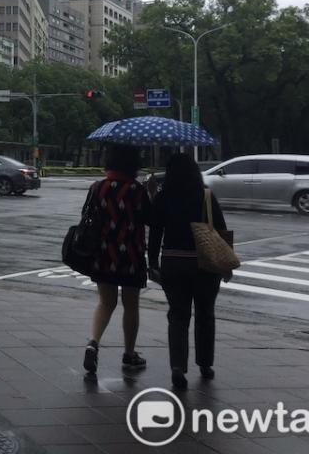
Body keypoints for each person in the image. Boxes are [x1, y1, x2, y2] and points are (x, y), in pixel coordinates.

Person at [149, 152, 228, 390]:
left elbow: (154, 232)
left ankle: (177, 367)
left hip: (172, 263)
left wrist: (152, 263)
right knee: (205, 314)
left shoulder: (164, 197)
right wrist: (225, 265)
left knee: (178, 316)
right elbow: (221, 230)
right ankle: (205, 364)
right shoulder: (206, 196)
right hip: (204, 264)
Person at [83, 144, 152, 375]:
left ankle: (93, 343)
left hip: (104, 254)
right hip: (131, 256)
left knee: (105, 302)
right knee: (131, 305)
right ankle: (129, 353)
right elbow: (150, 219)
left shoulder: (97, 187)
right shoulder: (137, 190)